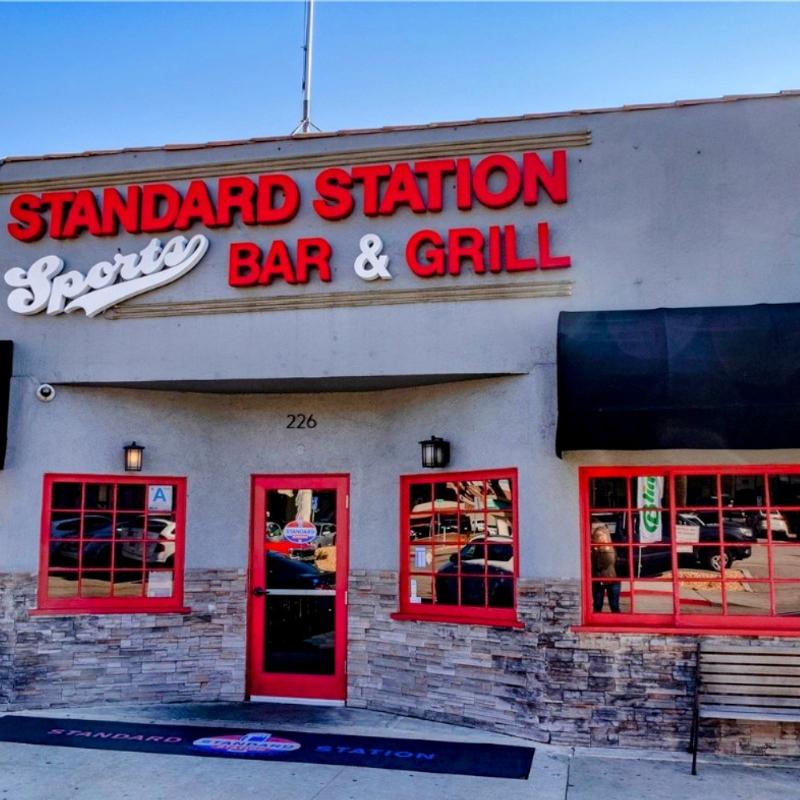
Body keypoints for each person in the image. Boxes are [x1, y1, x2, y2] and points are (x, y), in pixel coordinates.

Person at [591, 523, 621, 613]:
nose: (600, 538)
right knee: (597, 605)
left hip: (612, 580)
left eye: (600, 536)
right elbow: (593, 564)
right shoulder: (593, 549)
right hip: (597, 580)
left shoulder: (610, 549)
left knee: (614, 606)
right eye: (597, 536)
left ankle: (618, 623)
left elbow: (603, 564)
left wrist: (597, 551)